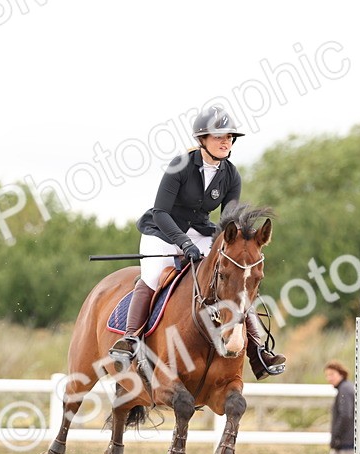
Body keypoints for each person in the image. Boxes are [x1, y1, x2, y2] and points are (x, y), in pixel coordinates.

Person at [109, 106, 285, 380]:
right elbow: (161, 212)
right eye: (219, 137)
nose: (225, 142)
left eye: (229, 137)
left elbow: (229, 221)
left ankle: (257, 351)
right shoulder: (180, 166)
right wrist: (183, 243)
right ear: (202, 139)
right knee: (153, 277)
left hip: (202, 232)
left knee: (234, 278)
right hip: (162, 231)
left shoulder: (231, 175)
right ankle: (131, 339)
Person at [321, 360, 355, 454]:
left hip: (346, 442)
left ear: (341, 374)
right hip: (342, 442)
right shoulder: (345, 388)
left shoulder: (344, 390)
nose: (329, 378)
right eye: (327, 375)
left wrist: (336, 436)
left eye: (332, 374)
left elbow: (346, 415)